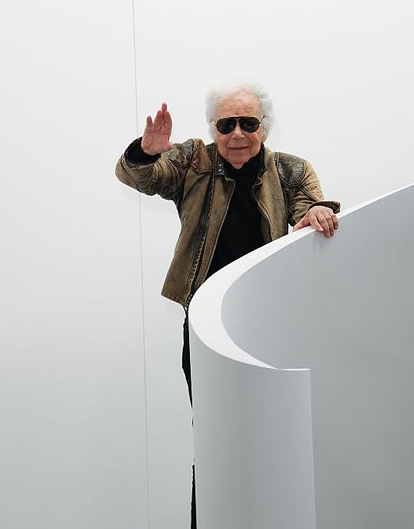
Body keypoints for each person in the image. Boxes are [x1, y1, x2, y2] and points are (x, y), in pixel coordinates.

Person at [115, 82, 340, 528]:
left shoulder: (291, 170)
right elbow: (140, 176)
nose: (237, 133)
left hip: (273, 325)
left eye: (248, 123)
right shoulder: (193, 161)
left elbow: (308, 206)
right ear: (213, 129)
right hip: (205, 324)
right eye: (226, 124)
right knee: (215, 435)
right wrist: (146, 151)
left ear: (264, 127)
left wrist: (315, 212)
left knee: (277, 433)